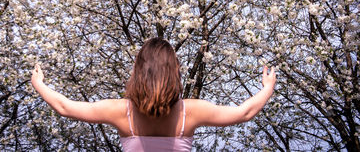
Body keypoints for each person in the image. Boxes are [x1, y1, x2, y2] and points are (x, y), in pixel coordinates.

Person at [31, 37, 276, 151]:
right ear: (173, 71)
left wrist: (40, 84)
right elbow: (245, 112)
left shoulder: (120, 111)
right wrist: (266, 88)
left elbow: (65, 107)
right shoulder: (189, 111)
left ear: (139, 70)